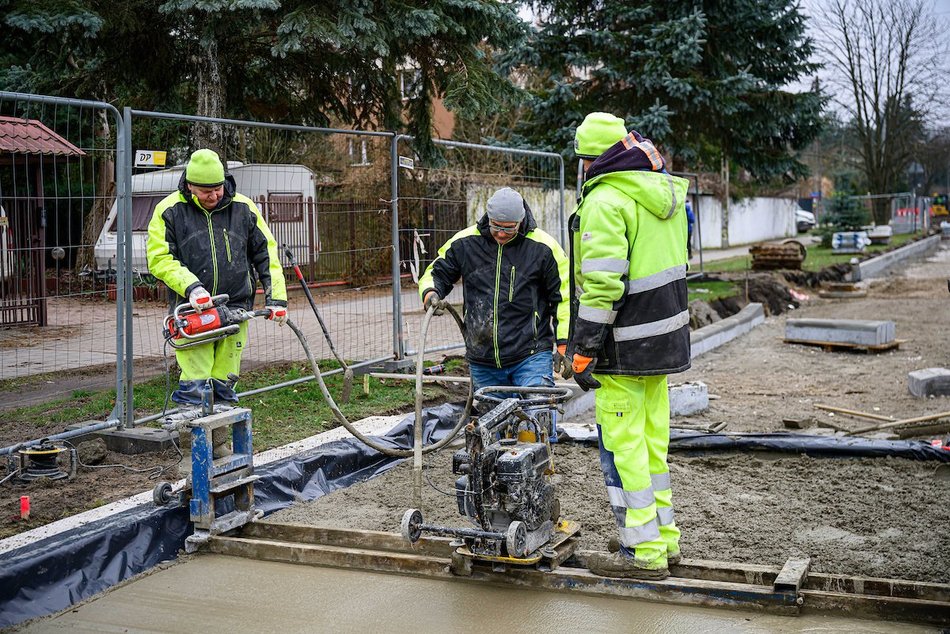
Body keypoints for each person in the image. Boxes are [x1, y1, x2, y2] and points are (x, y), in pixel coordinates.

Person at [568, 112, 691, 580]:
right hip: (662, 344)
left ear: (593, 159)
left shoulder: (606, 200)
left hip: (623, 348)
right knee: (653, 448)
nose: (581, 168)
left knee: (623, 451)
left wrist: (583, 348)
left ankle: (642, 553)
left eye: (582, 160)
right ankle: (666, 541)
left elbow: (602, 286)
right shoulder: (665, 194)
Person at [146, 149, 288, 407]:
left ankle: (220, 441)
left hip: (236, 307)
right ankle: (194, 439)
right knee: (194, 382)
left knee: (225, 380)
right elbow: (160, 259)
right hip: (192, 310)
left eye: (218, 188)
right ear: (190, 186)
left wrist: (277, 299)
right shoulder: (169, 211)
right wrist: (192, 288)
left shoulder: (244, 208)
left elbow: (266, 253)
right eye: (206, 191)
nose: (214, 195)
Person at [418, 187, 571, 394]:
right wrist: (430, 292)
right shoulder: (465, 242)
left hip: (531, 355)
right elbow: (436, 272)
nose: (501, 233)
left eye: (509, 228)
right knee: (492, 423)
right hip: (483, 358)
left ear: (521, 220)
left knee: (537, 419)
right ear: (488, 218)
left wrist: (564, 344)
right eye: (496, 226)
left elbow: (564, 298)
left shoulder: (543, 248)